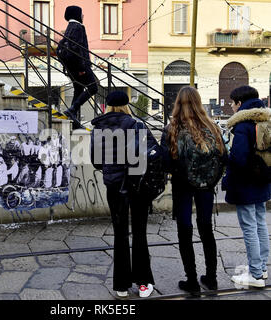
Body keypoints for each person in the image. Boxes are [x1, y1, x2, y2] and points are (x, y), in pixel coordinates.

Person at [160, 86, 226, 294]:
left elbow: (165, 163)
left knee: (185, 230)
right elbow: (225, 158)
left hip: (182, 186)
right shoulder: (213, 127)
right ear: (198, 103)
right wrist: (210, 179)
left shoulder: (172, 129)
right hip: (206, 186)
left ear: (178, 104)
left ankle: (192, 281)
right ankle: (212, 278)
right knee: (207, 229)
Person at [90, 91, 155, 298]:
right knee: (140, 232)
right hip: (138, 184)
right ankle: (143, 283)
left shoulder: (99, 127)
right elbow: (150, 154)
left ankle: (121, 285)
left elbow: (96, 161)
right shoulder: (138, 125)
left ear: (107, 105)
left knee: (120, 234)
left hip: (115, 185)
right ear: (127, 105)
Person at [222, 85, 271, 288]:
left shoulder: (243, 125)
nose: (232, 108)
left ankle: (256, 275)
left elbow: (239, 159)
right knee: (260, 223)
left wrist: (226, 158)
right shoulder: (265, 121)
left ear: (239, 103)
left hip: (245, 183)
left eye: (233, 104)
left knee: (249, 227)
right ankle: (261, 267)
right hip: (263, 180)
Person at [61, 5, 98, 127]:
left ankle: (74, 120)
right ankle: (72, 110)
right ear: (77, 14)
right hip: (80, 66)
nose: (83, 16)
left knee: (78, 89)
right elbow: (77, 48)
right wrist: (82, 68)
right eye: (81, 13)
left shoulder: (70, 27)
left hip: (72, 67)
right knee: (93, 88)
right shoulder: (78, 27)